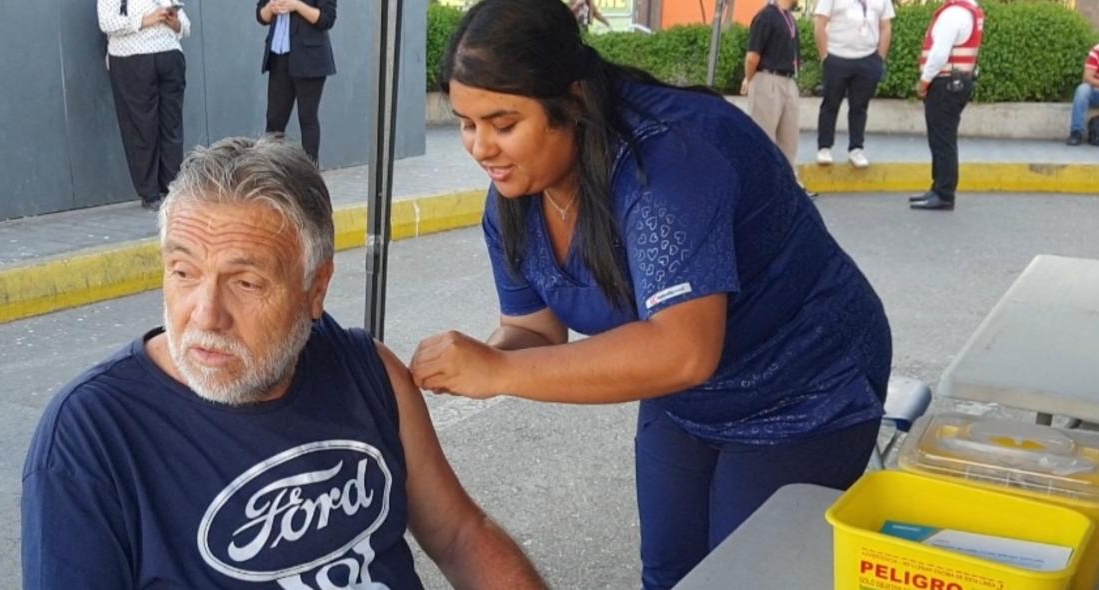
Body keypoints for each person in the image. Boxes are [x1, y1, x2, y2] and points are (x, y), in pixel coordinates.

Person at [411, 1, 891, 587]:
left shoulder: (666, 162)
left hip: (804, 387)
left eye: (504, 124)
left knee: (742, 579)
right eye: (466, 123)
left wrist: (497, 373)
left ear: (574, 100)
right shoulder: (512, 202)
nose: (481, 147)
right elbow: (536, 333)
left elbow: (682, 350)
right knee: (669, 574)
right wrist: (466, 365)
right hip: (686, 399)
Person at [20, 136, 546, 590]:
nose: (206, 315)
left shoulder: (367, 372)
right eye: (183, 272)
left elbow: (460, 535)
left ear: (316, 288)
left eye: (245, 283)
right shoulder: (90, 437)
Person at [98, 0, 190, 211]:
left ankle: (172, 187)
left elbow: (186, 26)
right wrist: (145, 20)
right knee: (140, 126)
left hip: (170, 56)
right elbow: (106, 22)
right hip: (131, 58)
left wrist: (174, 22)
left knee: (172, 126)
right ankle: (149, 192)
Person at [909, 0, 984, 211]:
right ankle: (937, 188)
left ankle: (943, 194)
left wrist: (924, 81)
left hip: (945, 83)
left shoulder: (953, 13)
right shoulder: (970, 10)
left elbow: (939, 54)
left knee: (942, 140)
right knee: (942, 138)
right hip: (956, 82)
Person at [741, 0, 818, 198]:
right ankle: (760, 190)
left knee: (789, 139)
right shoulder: (765, 16)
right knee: (764, 138)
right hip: (768, 79)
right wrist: (750, 80)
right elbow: (752, 56)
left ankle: (789, 187)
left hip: (787, 81)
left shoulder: (789, 17)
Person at [812, 0, 895, 168]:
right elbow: (820, 23)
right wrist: (825, 57)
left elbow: (886, 26)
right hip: (837, 56)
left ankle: (856, 148)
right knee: (830, 104)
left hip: (868, 58)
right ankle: (824, 148)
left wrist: (880, 59)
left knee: (859, 107)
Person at [257, 0, 337, 164]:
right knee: (274, 120)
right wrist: (270, 7)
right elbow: (261, 16)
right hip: (279, 56)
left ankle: (310, 177)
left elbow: (327, 19)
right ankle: (270, 173)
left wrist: (297, 5)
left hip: (310, 57)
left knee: (307, 118)